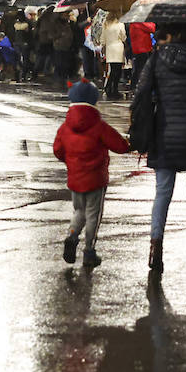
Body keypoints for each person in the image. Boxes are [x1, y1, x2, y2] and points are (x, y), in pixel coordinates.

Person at [135, 23, 186, 272]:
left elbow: (142, 92)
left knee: (162, 193)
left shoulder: (157, 58)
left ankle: (155, 249)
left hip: (164, 132)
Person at [53, 78, 130, 268]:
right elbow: (119, 145)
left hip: (76, 178)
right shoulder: (99, 126)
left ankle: (72, 235)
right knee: (93, 215)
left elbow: (58, 149)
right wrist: (130, 145)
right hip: (96, 179)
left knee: (79, 210)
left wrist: (70, 161)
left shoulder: (65, 127)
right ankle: (89, 250)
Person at [102, 13, 126, 100]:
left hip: (109, 49)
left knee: (112, 70)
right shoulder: (120, 24)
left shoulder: (105, 24)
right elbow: (123, 37)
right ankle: (114, 90)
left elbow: (103, 39)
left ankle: (108, 87)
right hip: (118, 48)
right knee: (118, 71)